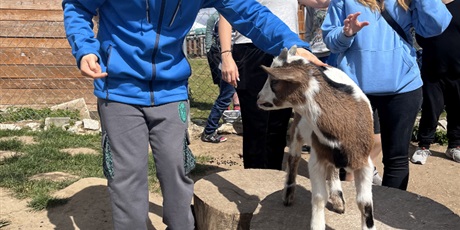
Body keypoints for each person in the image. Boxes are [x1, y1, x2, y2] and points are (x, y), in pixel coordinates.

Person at [62, 0, 324, 229]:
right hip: (119, 89)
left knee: (176, 170)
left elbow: (249, 12)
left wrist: (290, 44)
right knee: (126, 177)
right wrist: (85, 48)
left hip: (171, 90)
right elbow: (77, 5)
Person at [322, 0, 451, 190]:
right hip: (355, 88)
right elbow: (331, 41)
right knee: (347, 155)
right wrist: (345, 33)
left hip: (403, 86)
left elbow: (435, 27)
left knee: (396, 158)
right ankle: (350, 212)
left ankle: (390, 213)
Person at [219, 0, 330, 170]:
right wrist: (226, 55)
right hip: (251, 47)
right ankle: (254, 180)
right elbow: (225, 10)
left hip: (287, 49)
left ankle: (274, 178)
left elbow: (319, 2)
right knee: (256, 123)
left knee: (279, 122)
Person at [411, 0, 460, 165]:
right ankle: (424, 145)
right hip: (433, 66)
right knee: (431, 108)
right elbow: (419, 32)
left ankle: (455, 145)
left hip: (458, 67)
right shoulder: (429, 6)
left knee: (457, 107)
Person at [201, 10, 240, 143]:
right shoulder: (220, 16)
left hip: (241, 58)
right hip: (228, 61)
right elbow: (214, 38)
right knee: (225, 96)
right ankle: (209, 131)